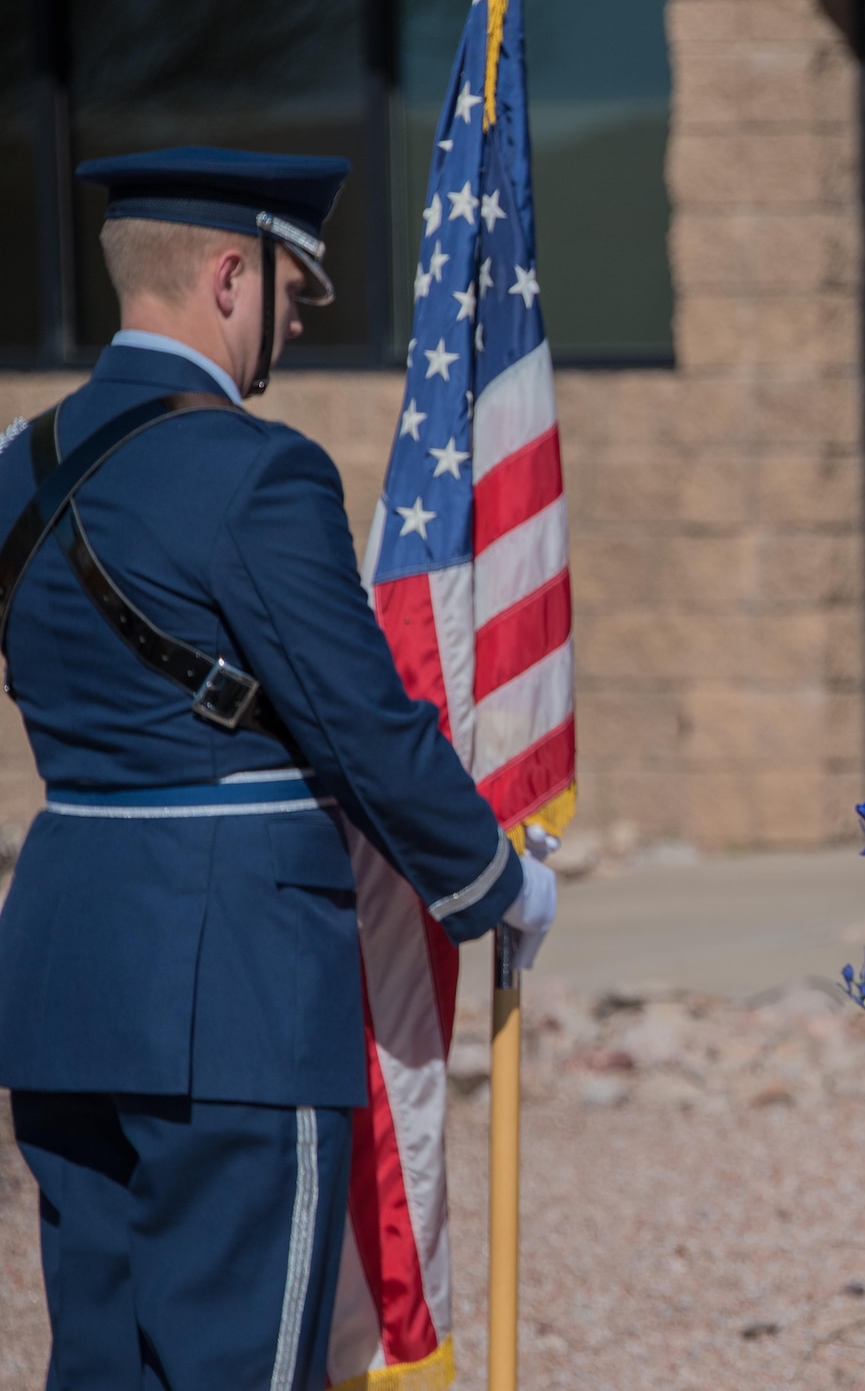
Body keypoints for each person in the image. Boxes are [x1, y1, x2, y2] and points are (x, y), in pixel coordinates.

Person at [0, 147, 557, 1388]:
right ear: (228, 275)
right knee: (239, 1360)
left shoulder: (14, 468)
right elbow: (361, 719)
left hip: (59, 963)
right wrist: (495, 883)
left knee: (101, 1356)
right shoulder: (259, 469)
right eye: (294, 300)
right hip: (233, 979)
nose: (293, 331)